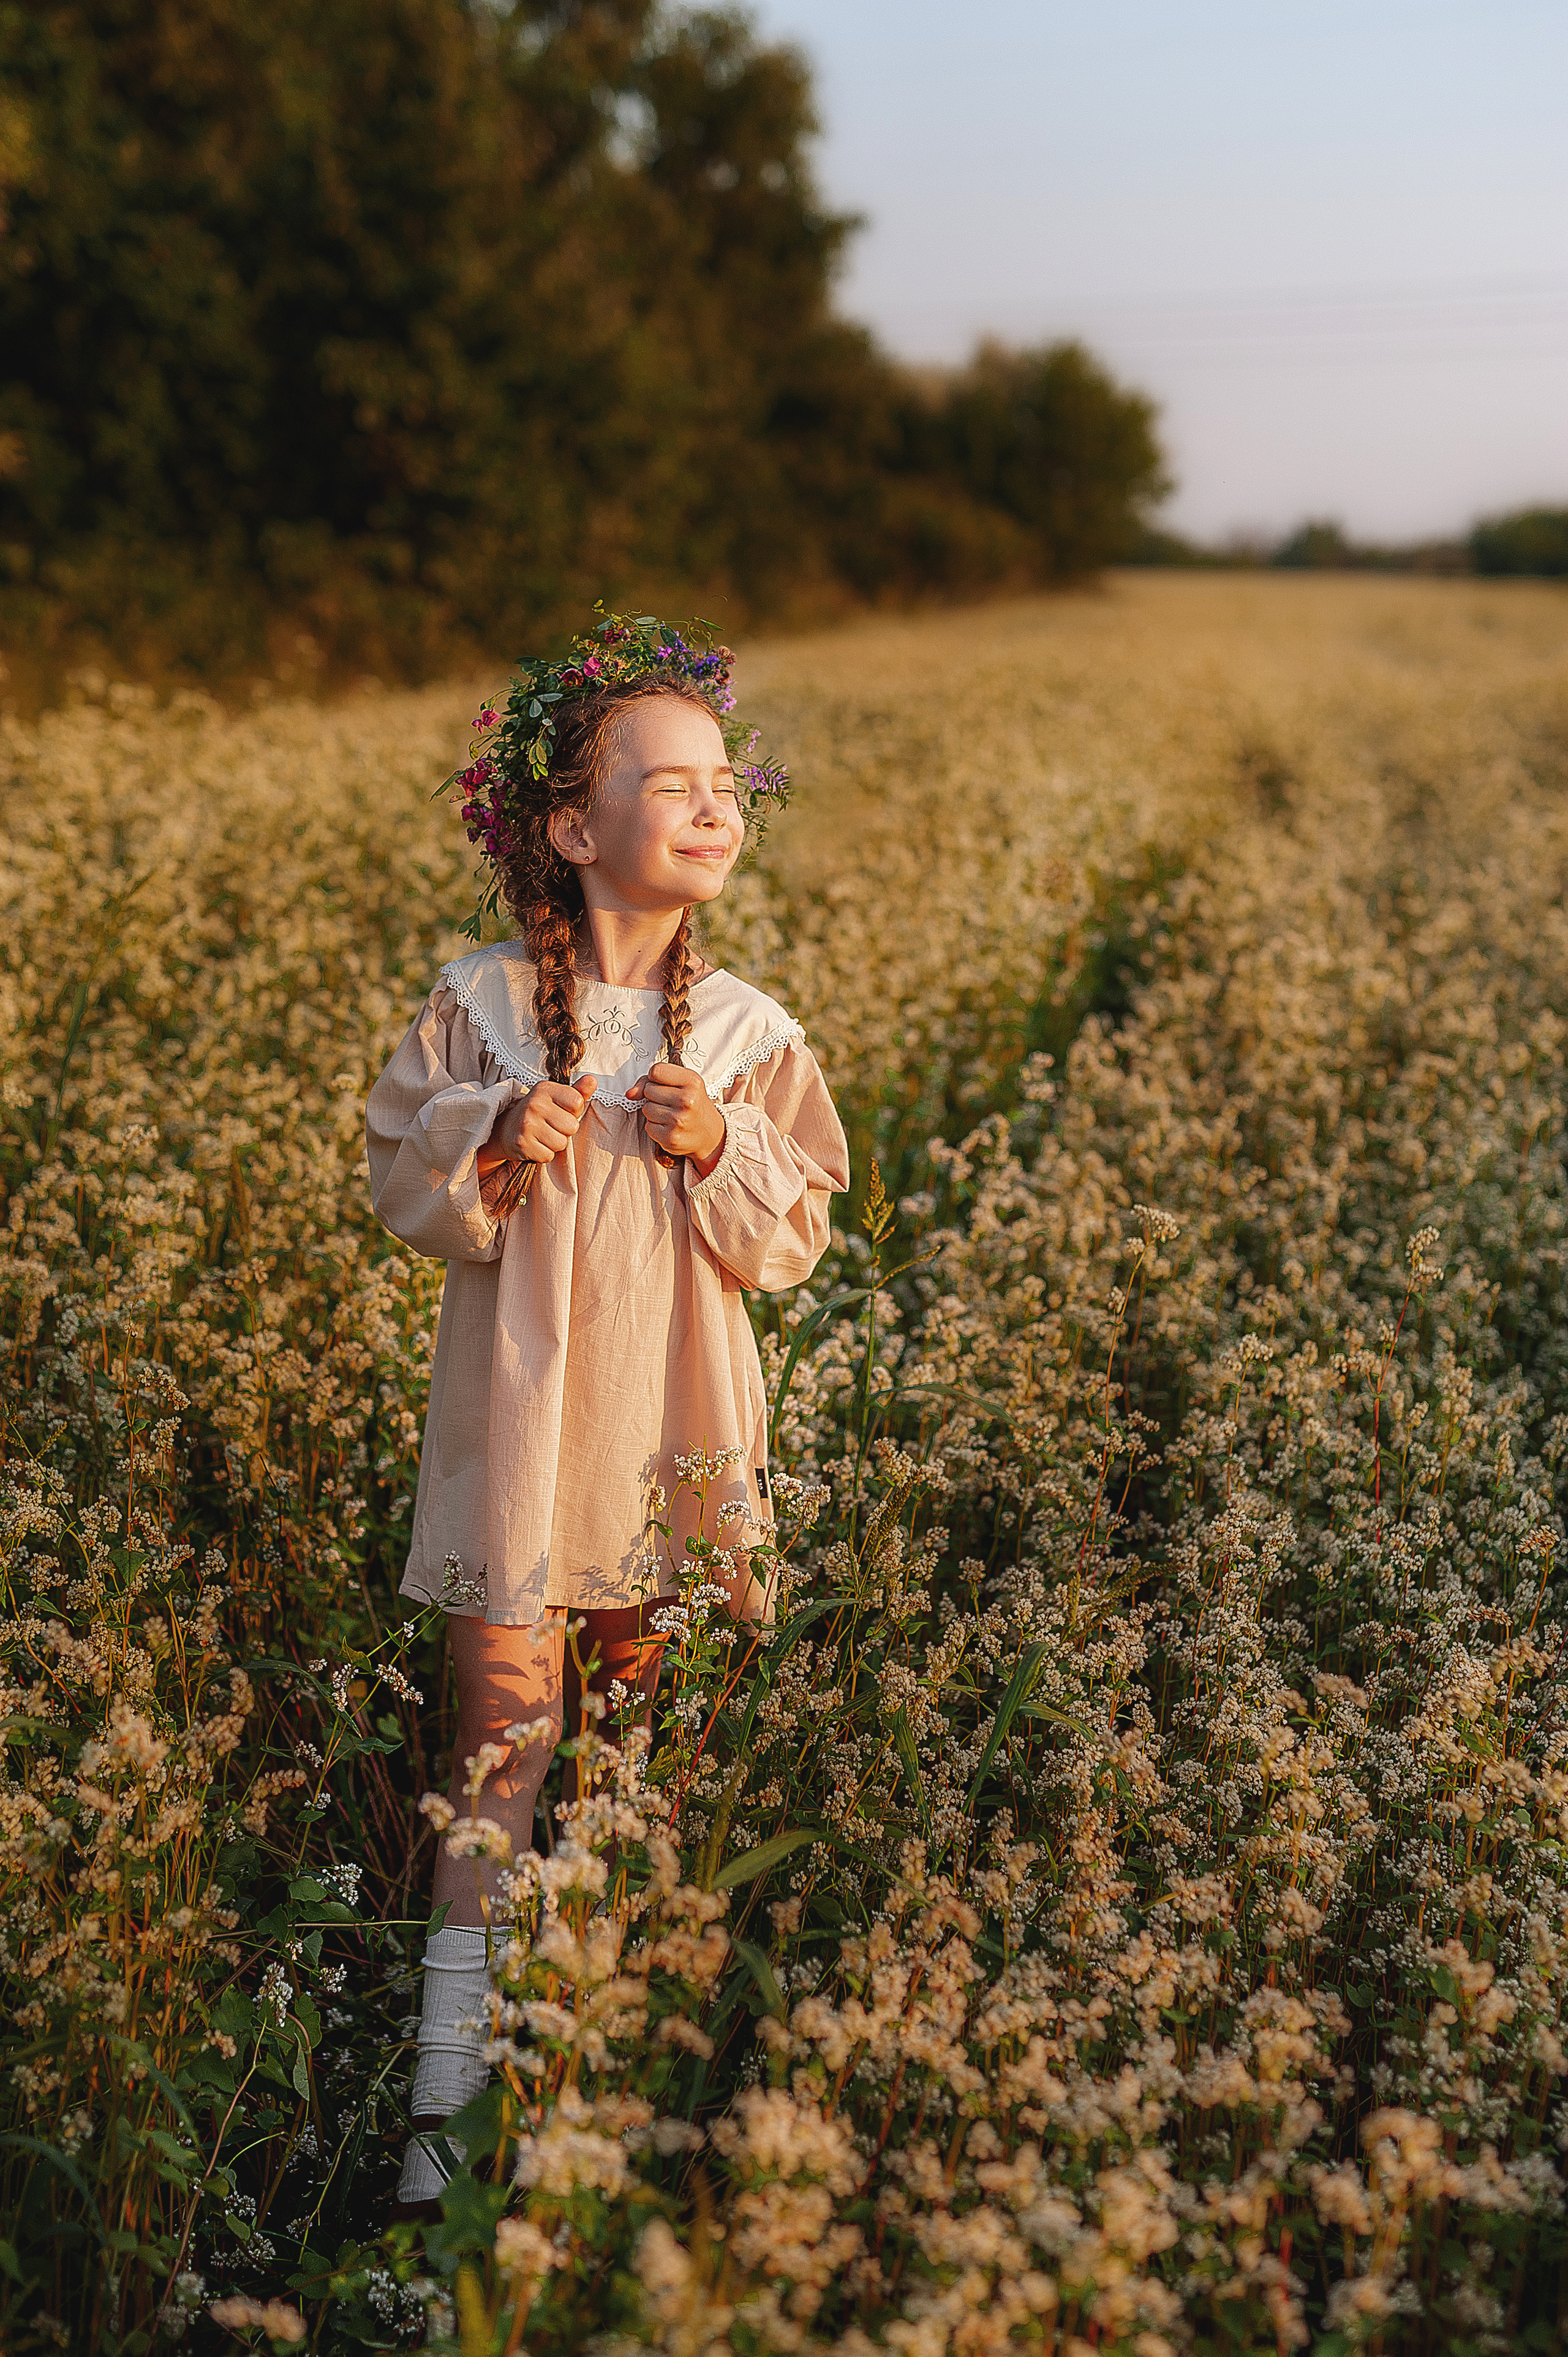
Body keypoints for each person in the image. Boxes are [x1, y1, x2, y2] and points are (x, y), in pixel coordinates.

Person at [364, 613, 849, 2206]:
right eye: (674, 784)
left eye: (728, 784)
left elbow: (795, 1236)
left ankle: (603, 2104)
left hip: (673, 1451)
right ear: (573, 829)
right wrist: (502, 1131)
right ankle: (447, 2139)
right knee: (500, 1755)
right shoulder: (484, 1011)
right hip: (523, 1455)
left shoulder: (749, 1034)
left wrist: (717, 1141)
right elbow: (408, 1179)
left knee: (646, 1765)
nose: (716, 808)